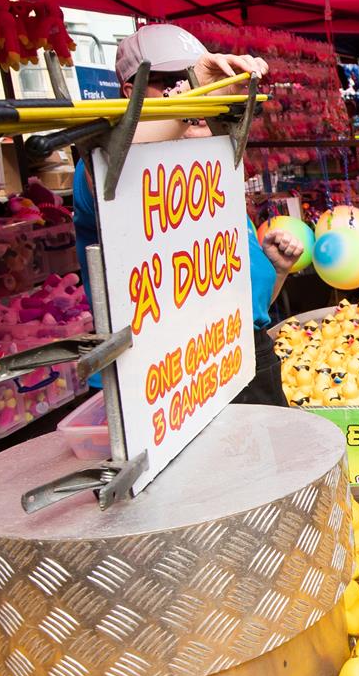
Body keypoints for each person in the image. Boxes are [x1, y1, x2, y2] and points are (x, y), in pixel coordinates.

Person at [71, 23, 299, 407]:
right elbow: (121, 159)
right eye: (174, 83)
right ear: (132, 92)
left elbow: (249, 308)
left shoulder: (208, 172)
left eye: (196, 80)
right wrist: (194, 95)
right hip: (168, 380)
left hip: (237, 361)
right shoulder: (106, 169)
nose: (190, 93)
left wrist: (275, 271)